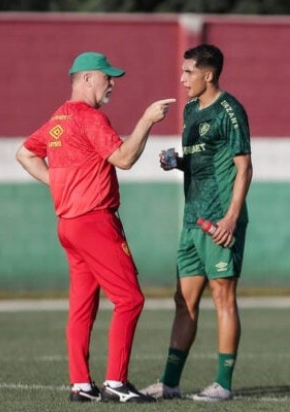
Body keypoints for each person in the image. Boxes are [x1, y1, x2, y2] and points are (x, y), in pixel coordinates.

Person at [16, 51, 175, 403]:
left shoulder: (59, 119)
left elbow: (25, 153)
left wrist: (59, 187)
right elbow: (124, 158)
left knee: (82, 306)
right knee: (130, 299)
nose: (112, 83)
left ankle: (81, 385)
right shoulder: (89, 118)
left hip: (69, 225)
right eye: (107, 77)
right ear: (87, 78)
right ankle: (116, 382)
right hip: (95, 221)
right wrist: (147, 120)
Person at [141, 44, 252, 402]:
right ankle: (169, 383)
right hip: (191, 221)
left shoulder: (230, 111)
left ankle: (223, 383)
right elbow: (200, 159)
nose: (182, 79)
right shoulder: (190, 110)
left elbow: (243, 167)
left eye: (188, 72)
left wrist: (232, 218)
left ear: (209, 74)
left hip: (220, 221)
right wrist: (177, 161)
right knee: (183, 301)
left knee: (223, 296)